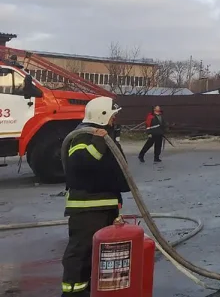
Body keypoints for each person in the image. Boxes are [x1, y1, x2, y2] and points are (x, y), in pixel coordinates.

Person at [61, 96, 129, 296]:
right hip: (87, 207)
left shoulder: (105, 134)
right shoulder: (83, 136)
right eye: (112, 116)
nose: (114, 119)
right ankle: (72, 292)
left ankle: (93, 289)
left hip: (104, 205)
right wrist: (99, 141)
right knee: (81, 252)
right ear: (102, 115)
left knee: (101, 254)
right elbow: (80, 164)